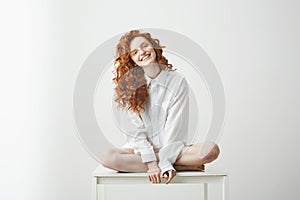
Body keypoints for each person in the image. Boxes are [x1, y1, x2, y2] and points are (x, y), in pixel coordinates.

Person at [100, 30, 220, 184]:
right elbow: (136, 132)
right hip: (140, 150)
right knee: (106, 157)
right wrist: (151, 164)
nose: (142, 53)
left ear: (153, 47)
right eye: (135, 52)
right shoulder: (129, 86)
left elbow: (176, 127)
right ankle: (183, 166)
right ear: (132, 60)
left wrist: (165, 160)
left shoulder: (177, 81)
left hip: (172, 148)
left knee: (211, 150)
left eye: (145, 46)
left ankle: (167, 162)